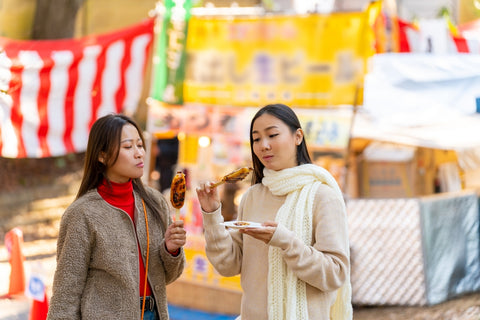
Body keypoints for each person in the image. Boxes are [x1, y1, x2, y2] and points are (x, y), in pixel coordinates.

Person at [196, 104, 352, 320]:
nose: (263, 145)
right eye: (256, 139)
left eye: (272, 135)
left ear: (298, 136)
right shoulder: (253, 196)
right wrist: (211, 212)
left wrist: (287, 242)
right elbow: (228, 265)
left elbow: (335, 274)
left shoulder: (323, 196)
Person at [47, 114, 186, 320]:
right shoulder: (82, 214)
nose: (139, 153)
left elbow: (168, 276)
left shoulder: (155, 202)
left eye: (140, 145)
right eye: (128, 147)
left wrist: (171, 250)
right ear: (101, 155)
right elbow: (66, 294)